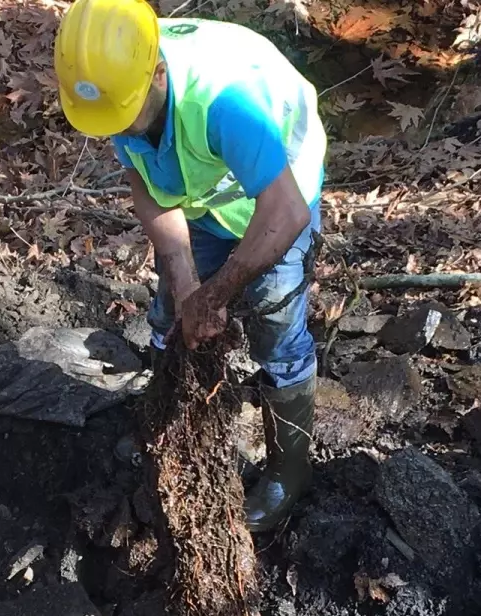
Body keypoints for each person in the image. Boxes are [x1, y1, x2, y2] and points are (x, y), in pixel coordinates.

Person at [54, 0, 327, 532]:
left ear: (158, 74)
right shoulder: (116, 88)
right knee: (171, 314)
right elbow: (149, 187)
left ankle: (288, 470)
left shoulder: (226, 101)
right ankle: (172, 422)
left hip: (275, 196)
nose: (119, 130)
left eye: (126, 117)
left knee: (275, 324)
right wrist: (185, 285)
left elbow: (285, 210)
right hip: (202, 191)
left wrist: (218, 291)